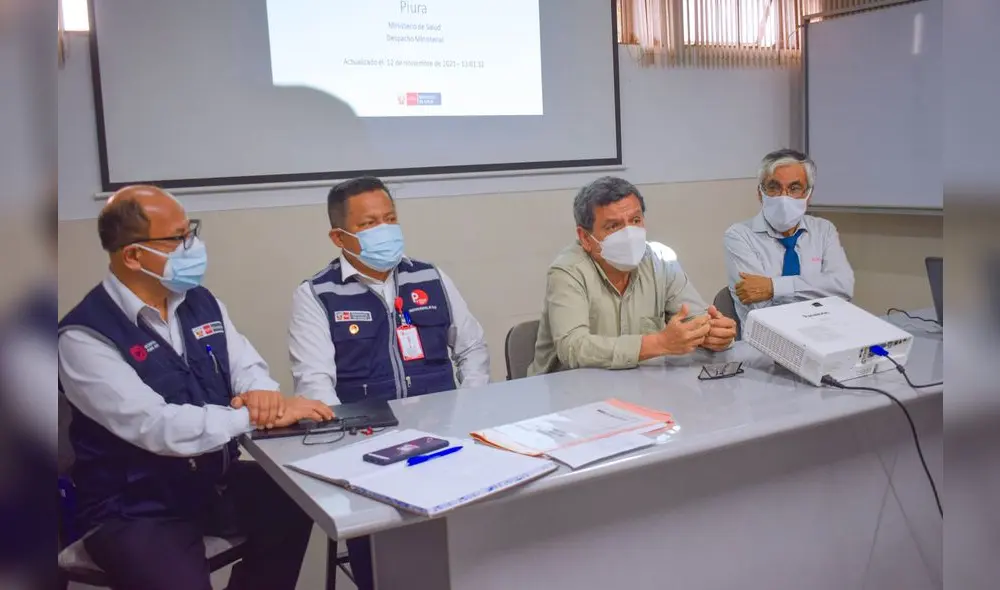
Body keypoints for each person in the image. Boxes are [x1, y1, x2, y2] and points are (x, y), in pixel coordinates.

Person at [58, 186, 333, 590]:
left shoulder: (200, 302)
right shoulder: (84, 336)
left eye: (192, 232)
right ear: (134, 255)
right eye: (179, 238)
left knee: (293, 497)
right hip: (134, 508)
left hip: (208, 483)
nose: (194, 246)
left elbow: (248, 367)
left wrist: (261, 394)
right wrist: (248, 416)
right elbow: (156, 426)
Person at [288, 176, 490, 588]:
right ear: (339, 236)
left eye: (390, 218)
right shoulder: (316, 295)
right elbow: (316, 389)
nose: (384, 229)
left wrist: (468, 413)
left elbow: (473, 350)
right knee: (388, 572)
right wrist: (358, 455)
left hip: (447, 442)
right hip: (372, 457)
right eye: (368, 223)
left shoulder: (430, 277)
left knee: (472, 552)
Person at [528, 176, 736, 376]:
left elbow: (696, 319)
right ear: (585, 238)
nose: (629, 234)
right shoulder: (567, 271)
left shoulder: (661, 260)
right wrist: (658, 343)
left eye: (635, 220)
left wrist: (714, 333)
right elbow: (573, 347)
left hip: (640, 386)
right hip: (567, 394)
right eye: (614, 226)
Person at [724, 149, 855, 329]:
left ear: (808, 195)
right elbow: (760, 307)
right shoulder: (739, 236)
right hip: (768, 345)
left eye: (794, 188)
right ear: (760, 193)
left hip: (824, 334)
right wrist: (818, 289)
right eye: (774, 187)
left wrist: (773, 287)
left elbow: (843, 287)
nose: (783, 197)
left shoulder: (823, 230)